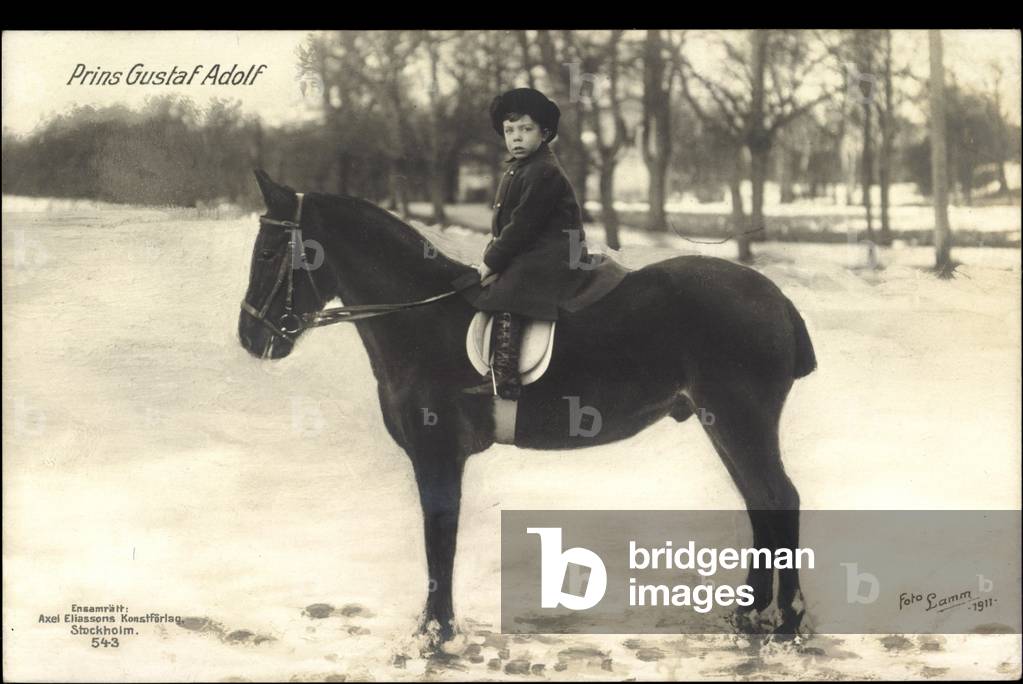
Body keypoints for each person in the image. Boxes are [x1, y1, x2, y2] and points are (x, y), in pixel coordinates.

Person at [463, 87, 592, 400]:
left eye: (525, 129)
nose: (516, 138)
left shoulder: (544, 171)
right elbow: (507, 227)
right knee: (483, 282)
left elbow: (522, 226)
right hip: (533, 248)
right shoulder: (521, 167)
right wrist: (492, 260)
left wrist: (492, 263)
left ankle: (504, 376)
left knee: (511, 291)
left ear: (544, 134)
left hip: (554, 252)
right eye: (509, 130)